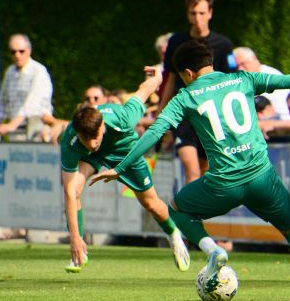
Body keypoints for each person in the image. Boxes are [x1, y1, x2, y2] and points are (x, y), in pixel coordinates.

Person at [90, 38, 290, 296]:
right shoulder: (242, 79)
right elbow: (289, 80)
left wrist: (121, 167)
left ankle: (212, 250)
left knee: (176, 209)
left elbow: (156, 130)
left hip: (223, 184)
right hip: (262, 179)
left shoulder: (185, 96)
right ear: (210, 62)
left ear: (187, 72)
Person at [60, 69, 193, 273]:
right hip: (90, 159)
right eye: (86, 140)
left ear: (103, 125)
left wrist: (155, 77)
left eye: (95, 137)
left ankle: (174, 233)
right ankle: (79, 252)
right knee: (73, 190)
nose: (92, 143)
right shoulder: (71, 140)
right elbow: (69, 192)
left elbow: (143, 92)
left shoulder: (122, 117)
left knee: (150, 202)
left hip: (124, 150)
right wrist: (74, 239)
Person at [158, 0, 235, 184]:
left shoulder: (224, 45)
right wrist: (161, 112)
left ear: (210, 13)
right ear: (187, 14)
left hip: (210, 114)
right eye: (193, 13)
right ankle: (190, 214)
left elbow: (231, 83)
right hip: (184, 112)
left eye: (201, 13)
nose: (197, 18)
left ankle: (198, 214)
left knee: (205, 170)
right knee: (191, 170)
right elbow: (170, 78)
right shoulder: (176, 41)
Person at [0, 34, 53, 138]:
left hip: (38, 129)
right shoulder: (10, 72)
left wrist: (12, 125)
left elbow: (32, 103)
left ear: (29, 50)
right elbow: (3, 101)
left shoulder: (38, 71)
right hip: (17, 131)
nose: (17, 55)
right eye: (13, 52)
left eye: (21, 51)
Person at [234, 46, 290, 120]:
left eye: (242, 64)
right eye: (237, 67)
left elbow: (282, 112)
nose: (240, 69)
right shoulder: (248, 81)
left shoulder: (270, 78)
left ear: (254, 58)